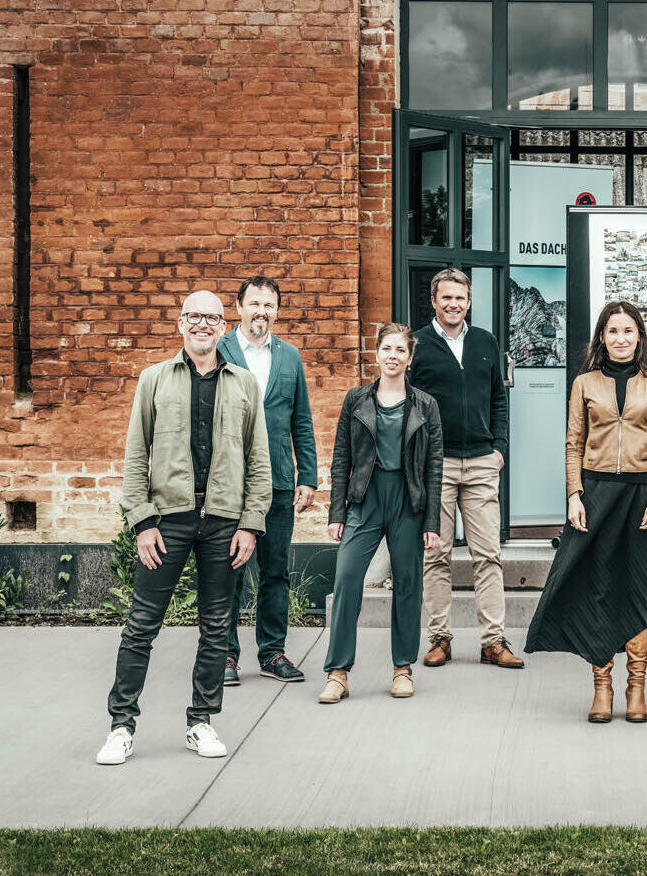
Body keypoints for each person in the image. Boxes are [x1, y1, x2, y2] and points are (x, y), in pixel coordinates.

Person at [97, 290, 271, 766]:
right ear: (180, 323)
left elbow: (260, 460)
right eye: (194, 316)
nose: (202, 324)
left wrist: (250, 525)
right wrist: (141, 522)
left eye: (211, 317)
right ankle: (120, 726)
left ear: (222, 325)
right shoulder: (153, 380)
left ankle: (201, 722)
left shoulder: (243, 384)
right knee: (140, 626)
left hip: (223, 523)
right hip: (166, 522)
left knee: (216, 628)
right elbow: (136, 456)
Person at [525, 301, 647, 724]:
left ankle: (636, 688)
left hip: (640, 497)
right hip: (594, 496)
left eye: (628, 331)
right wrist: (574, 495)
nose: (621, 338)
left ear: (639, 337)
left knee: (639, 588)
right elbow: (572, 443)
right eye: (613, 331)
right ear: (602, 337)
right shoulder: (584, 383)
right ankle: (601, 686)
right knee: (597, 588)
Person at [318, 323, 444, 703]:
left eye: (400, 350)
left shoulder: (425, 404)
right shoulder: (356, 400)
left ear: (409, 357)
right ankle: (338, 672)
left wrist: (432, 522)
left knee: (408, 585)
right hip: (365, 499)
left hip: (408, 500)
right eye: (387, 348)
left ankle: (402, 668)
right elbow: (341, 457)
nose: (393, 356)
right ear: (377, 353)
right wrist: (336, 512)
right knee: (347, 580)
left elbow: (434, 465)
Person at [408, 269, 522, 670]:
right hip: (435, 466)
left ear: (469, 301)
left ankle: (493, 641)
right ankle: (440, 638)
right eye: (446, 298)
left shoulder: (485, 342)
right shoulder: (417, 345)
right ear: (434, 302)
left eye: (460, 297)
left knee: (487, 555)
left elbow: (498, 400)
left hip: (479, 463)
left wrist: (500, 449)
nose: (453, 304)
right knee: (435, 555)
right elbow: (407, 407)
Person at [216, 275, 317, 687]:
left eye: (269, 305)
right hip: (228, 481)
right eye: (254, 303)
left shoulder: (290, 357)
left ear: (277, 310)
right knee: (227, 571)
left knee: (275, 570)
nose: (262, 311)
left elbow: (302, 420)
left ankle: (272, 652)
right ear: (239, 307)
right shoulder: (217, 352)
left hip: (277, 479)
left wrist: (307, 475)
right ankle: (224, 656)